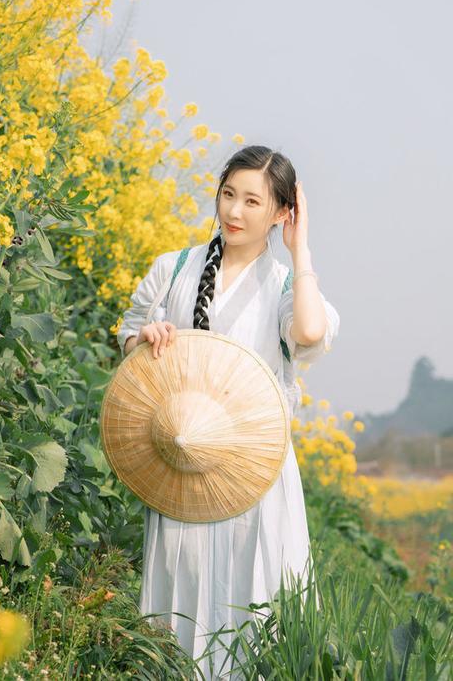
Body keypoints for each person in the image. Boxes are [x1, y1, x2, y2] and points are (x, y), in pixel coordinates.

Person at [116, 145, 340, 679]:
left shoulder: (286, 287)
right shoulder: (173, 270)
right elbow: (128, 337)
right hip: (182, 465)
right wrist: (144, 340)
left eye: (253, 201)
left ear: (282, 212)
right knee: (179, 603)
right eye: (228, 195)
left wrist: (300, 249)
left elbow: (310, 333)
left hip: (254, 475)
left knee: (253, 601)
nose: (235, 212)